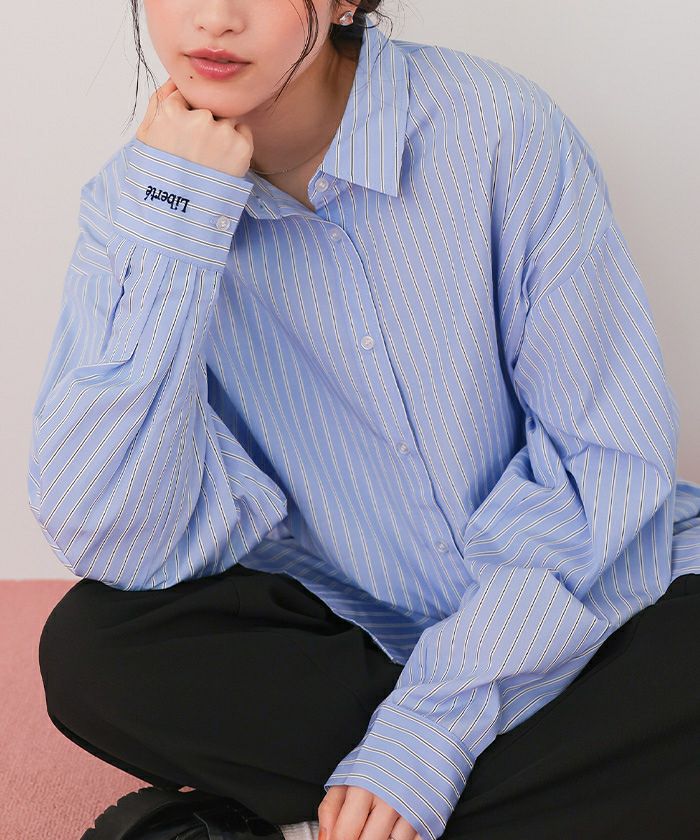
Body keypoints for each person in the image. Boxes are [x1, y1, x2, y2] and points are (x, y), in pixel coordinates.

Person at [29, 1, 700, 839]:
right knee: (94, 655)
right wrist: (179, 224)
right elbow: (109, 532)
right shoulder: (137, 209)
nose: (213, 18)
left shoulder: (497, 127)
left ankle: (315, 821)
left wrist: (431, 727)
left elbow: (602, 465)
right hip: (347, 642)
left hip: (582, 614)